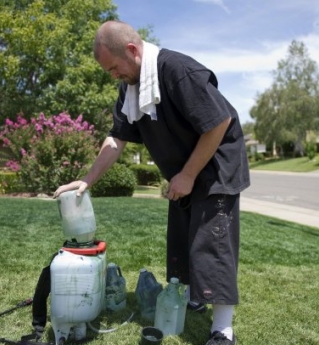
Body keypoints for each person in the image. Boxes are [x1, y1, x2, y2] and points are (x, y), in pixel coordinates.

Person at [53, 21, 249, 345]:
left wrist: (188, 175)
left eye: (114, 68)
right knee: (182, 240)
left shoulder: (177, 71)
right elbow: (116, 139)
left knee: (211, 246)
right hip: (183, 170)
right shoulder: (130, 90)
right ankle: (192, 297)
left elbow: (218, 122)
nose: (113, 75)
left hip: (215, 168)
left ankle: (223, 330)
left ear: (132, 51)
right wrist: (87, 180)